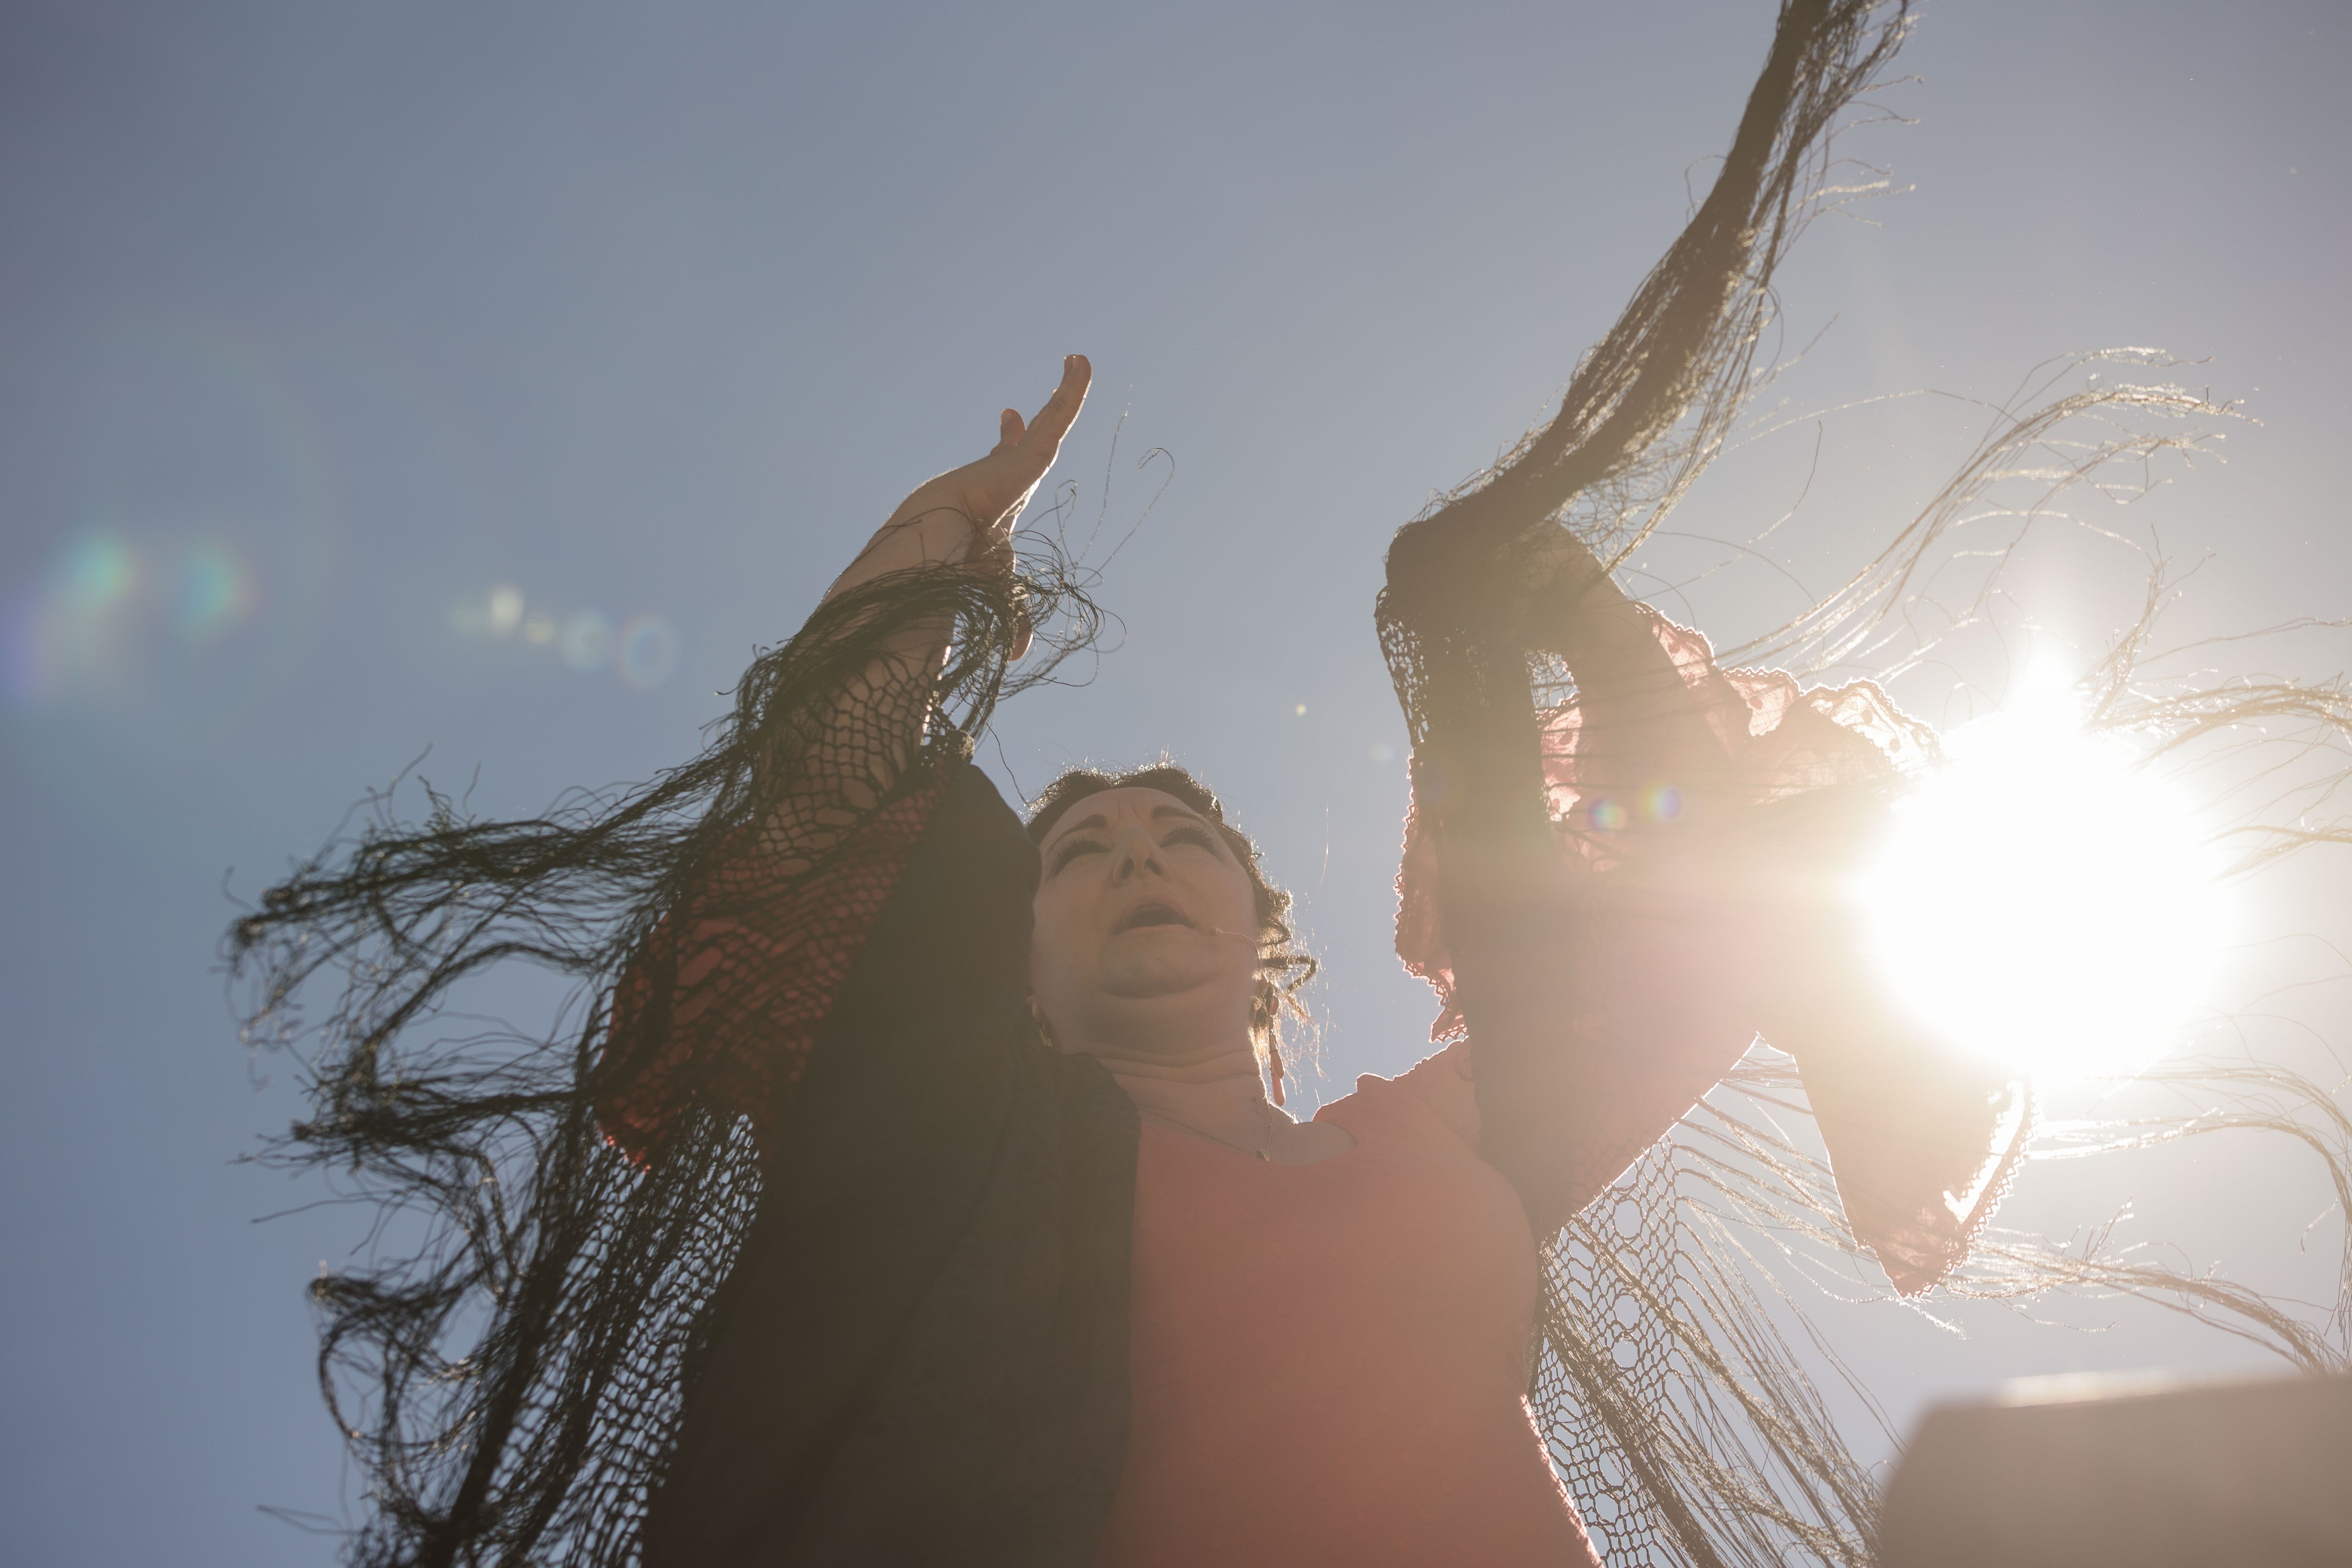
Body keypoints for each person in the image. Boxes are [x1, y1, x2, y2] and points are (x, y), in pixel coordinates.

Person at [232, 6, 2048, 1563]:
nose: (1138, 858)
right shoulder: (950, 1135)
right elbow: (839, 820)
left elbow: (1708, 914)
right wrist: (924, 566)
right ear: (1003, 956)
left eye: (1184, 840)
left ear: (1271, 935)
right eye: (1078, 849)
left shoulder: (1444, 1138)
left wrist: (1552, 622)